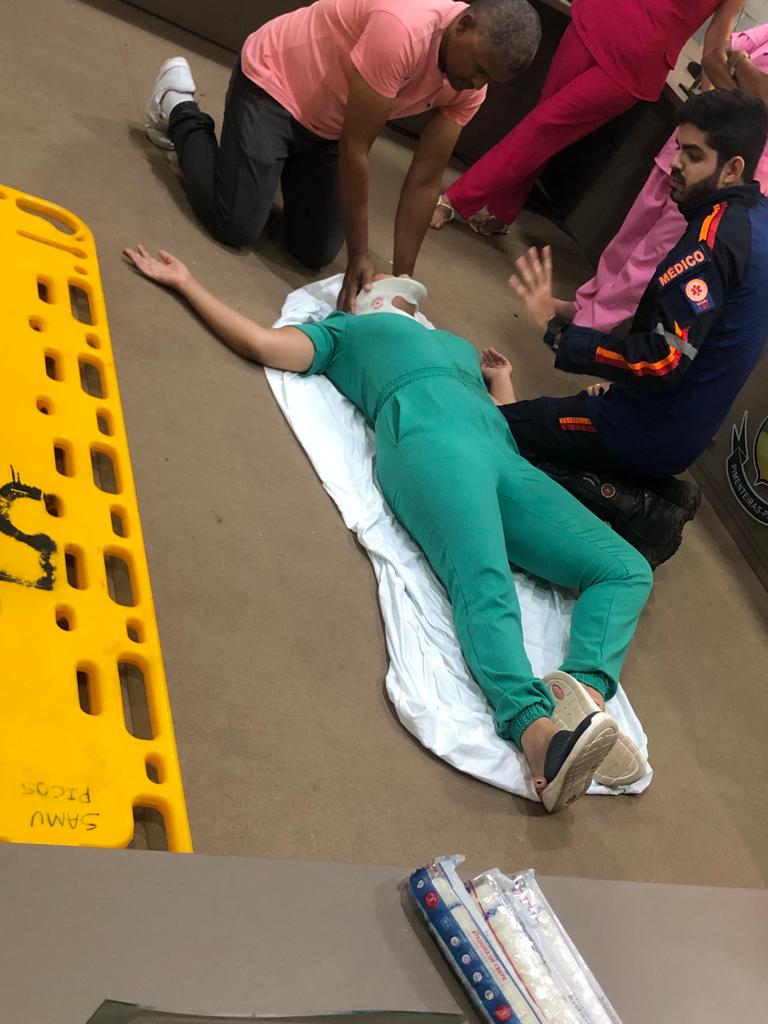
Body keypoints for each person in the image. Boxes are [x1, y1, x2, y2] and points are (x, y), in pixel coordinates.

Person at [122, 248, 654, 813]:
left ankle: (582, 700)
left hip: (500, 455)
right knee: (483, 577)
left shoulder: (455, 344)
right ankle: (538, 736)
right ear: (360, 298)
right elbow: (260, 342)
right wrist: (186, 282)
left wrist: (501, 383)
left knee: (625, 569)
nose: (386, 271)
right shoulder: (345, 331)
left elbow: (500, 421)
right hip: (429, 444)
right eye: (375, 275)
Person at [503, 89, 768, 568]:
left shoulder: (710, 243)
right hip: (682, 423)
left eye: (693, 155)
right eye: (679, 148)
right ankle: (651, 488)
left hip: (643, 429)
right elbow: (695, 338)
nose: (676, 164)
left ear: (732, 168)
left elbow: (663, 360)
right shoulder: (755, 220)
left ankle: (636, 507)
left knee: (499, 432)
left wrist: (561, 334)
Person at [142, 0, 540, 312]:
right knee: (235, 226)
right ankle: (179, 106)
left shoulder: (471, 88)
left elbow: (424, 179)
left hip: (328, 125)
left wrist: (403, 282)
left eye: (489, 79)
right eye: (477, 67)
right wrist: (361, 254)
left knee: (313, 252)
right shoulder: (403, 30)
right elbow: (356, 147)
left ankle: (269, 167)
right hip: (275, 84)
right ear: (464, 24)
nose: (476, 83)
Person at [430, 0, 744, 236]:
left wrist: (719, 100)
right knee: (541, 123)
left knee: (544, 126)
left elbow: (715, 44)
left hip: (634, 65)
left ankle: (456, 199)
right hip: (595, 19)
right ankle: (502, 212)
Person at [569, 23, 768, 333]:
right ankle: (584, 304)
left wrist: (740, 63)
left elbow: (763, 103)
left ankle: (589, 327)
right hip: (686, 146)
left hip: (717, 174)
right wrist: (734, 98)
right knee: (628, 237)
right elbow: (714, 55)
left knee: (651, 257)